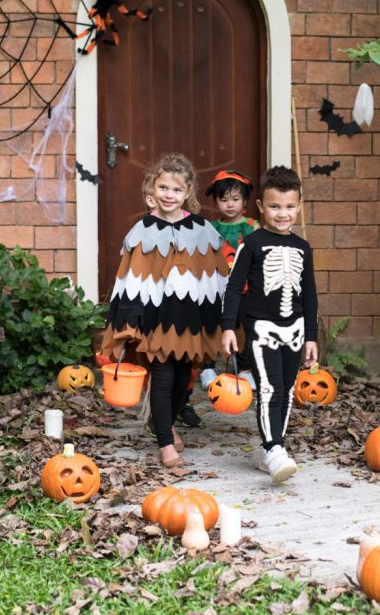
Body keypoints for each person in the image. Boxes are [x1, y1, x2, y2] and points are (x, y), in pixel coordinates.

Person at [101, 154, 228, 468]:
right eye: (163, 187)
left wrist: (222, 321)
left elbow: (215, 278)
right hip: (154, 320)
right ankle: (165, 445)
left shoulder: (202, 230)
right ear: (151, 189)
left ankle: (165, 423)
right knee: (162, 376)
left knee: (183, 377)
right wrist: (128, 321)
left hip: (188, 320)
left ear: (187, 194)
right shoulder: (142, 231)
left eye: (176, 189)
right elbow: (128, 278)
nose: (169, 194)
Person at [221, 166, 317, 483]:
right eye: (275, 207)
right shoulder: (252, 243)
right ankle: (275, 448)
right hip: (261, 329)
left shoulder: (303, 247)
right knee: (268, 388)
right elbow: (234, 287)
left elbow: (311, 296)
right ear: (261, 206)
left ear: (299, 205)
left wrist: (312, 338)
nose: (282, 214)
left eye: (289, 207)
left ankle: (271, 449)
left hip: (296, 330)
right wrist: (228, 328)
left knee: (287, 391)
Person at [189, 169, 259, 426]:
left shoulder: (252, 227)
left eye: (235, 199)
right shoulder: (212, 228)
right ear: (216, 201)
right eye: (224, 199)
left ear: (245, 201)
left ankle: (245, 368)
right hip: (215, 287)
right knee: (212, 326)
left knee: (242, 328)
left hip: (245, 289)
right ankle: (208, 366)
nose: (230, 204)